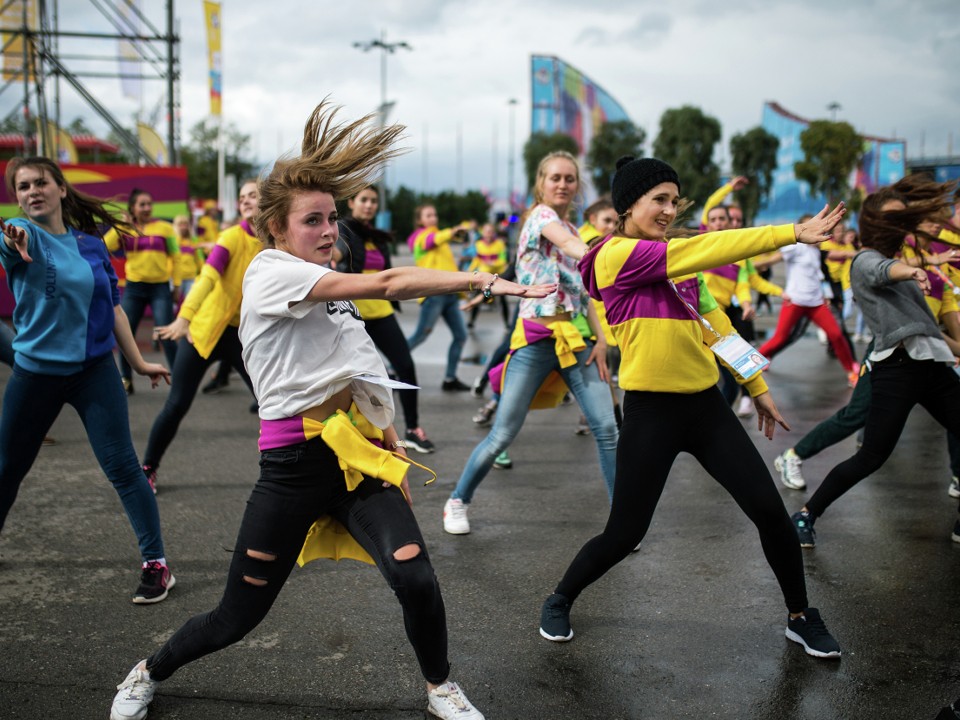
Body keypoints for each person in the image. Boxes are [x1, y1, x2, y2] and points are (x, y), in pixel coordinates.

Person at [109, 101, 555, 720]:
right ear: (276, 230)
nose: (328, 231)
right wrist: (479, 279)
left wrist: (389, 433)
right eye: (312, 221)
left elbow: (364, 370)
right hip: (290, 468)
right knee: (237, 616)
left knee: (416, 578)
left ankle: (439, 686)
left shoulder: (331, 295)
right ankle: (149, 670)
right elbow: (387, 284)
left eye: (332, 218)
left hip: (357, 463)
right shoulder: (270, 274)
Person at [537, 155, 844, 660]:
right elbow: (707, 246)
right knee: (625, 532)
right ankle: (560, 597)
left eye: (673, 201)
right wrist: (790, 232)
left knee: (770, 512)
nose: (667, 209)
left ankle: (799, 616)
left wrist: (755, 384)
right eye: (658, 199)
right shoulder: (614, 255)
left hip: (705, 409)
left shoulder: (680, 268)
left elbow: (718, 324)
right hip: (650, 413)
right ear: (628, 205)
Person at [0, 156, 175, 604]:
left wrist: (138, 363)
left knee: (122, 466)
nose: (32, 191)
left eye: (41, 182)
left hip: (93, 372)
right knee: (7, 470)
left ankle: (156, 565)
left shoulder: (92, 245)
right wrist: (12, 238)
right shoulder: (22, 234)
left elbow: (114, 309)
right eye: (23, 187)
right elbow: (8, 240)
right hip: (35, 374)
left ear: (60, 188)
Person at [442, 151, 619, 535]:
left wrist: (602, 339)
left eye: (569, 178)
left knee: (607, 428)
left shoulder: (572, 228)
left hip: (576, 341)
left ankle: (622, 521)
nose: (562, 184)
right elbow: (575, 251)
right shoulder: (542, 219)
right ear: (541, 183)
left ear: (577, 186)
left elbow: (583, 295)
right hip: (536, 338)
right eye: (555, 177)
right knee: (503, 433)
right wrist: (615, 257)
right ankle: (457, 499)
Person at [791, 177, 960, 548]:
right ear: (873, 226)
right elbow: (883, 271)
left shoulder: (903, 268)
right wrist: (912, 270)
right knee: (871, 456)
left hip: (931, 366)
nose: (899, 226)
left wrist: (955, 347)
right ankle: (805, 515)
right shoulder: (866, 260)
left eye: (903, 219)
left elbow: (925, 327)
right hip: (896, 370)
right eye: (891, 220)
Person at [139, 180, 262, 493]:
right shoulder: (232, 236)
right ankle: (148, 468)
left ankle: (289, 475)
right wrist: (184, 318)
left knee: (270, 404)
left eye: (253, 195)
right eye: (243, 196)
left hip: (241, 336)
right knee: (177, 403)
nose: (246, 201)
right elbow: (207, 277)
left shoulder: (275, 243)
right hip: (204, 332)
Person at [334, 185, 437, 453]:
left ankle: (412, 431)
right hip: (354, 318)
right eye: (364, 200)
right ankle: (352, 438)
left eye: (373, 202)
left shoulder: (376, 236)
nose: (369, 205)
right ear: (352, 202)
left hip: (382, 313)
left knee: (405, 367)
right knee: (353, 381)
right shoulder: (342, 230)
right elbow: (336, 255)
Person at [757, 213, 859, 386]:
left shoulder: (816, 251)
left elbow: (827, 264)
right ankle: (750, 363)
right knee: (780, 338)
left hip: (815, 303)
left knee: (836, 334)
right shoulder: (795, 247)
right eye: (807, 227)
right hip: (795, 300)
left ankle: (851, 372)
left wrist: (824, 295)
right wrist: (751, 266)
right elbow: (775, 254)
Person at [104, 189, 181, 394]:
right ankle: (126, 380)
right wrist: (122, 225)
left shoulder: (165, 228)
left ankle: (179, 379)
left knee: (167, 334)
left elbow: (176, 256)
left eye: (149, 204)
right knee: (124, 332)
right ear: (133, 208)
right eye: (142, 205)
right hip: (134, 288)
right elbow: (106, 245)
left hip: (160, 288)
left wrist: (178, 284)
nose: (147, 208)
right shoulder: (125, 228)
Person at [405, 205, 475, 391]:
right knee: (420, 336)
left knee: (460, 335)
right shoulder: (421, 238)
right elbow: (433, 240)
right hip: (433, 294)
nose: (433, 217)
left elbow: (448, 261)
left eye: (435, 214)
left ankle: (450, 379)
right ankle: (390, 370)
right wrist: (452, 231)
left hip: (450, 294)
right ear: (420, 220)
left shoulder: (440, 238)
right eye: (428, 215)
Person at [467, 223, 510, 328]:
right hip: (483, 277)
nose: (488, 234)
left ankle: (507, 323)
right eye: (486, 232)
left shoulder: (500, 244)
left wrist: (492, 263)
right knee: (477, 298)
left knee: (502, 300)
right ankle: (471, 321)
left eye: (490, 232)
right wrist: (469, 272)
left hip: (497, 276)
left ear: (493, 233)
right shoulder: (478, 244)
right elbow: (476, 260)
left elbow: (503, 260)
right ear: (483, 233)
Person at [172, 214, 204, 300]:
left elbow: (199, 259)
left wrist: (203, 273)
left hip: (191, 277)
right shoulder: (173, 240)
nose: (183, 227)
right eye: (180, 224)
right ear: (175, 226)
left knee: (190, 301)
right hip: (175, 278)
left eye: (185, 224)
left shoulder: (193, 240)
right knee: (173, 304)